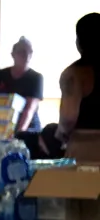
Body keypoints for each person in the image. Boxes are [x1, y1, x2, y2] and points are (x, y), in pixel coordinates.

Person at [37, 13, 100, 157]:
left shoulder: (74, 74)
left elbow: (68, 118)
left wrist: (59, 136)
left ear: (79, 42)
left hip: (87, 150)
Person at [0, 37, 43, 132]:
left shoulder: (36, 78)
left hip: (27, 127)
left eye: (30, 52)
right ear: (13, 54)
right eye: (22, 52)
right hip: (0, 125)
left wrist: (19, 133)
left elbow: (29, 110)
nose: (27, 56)